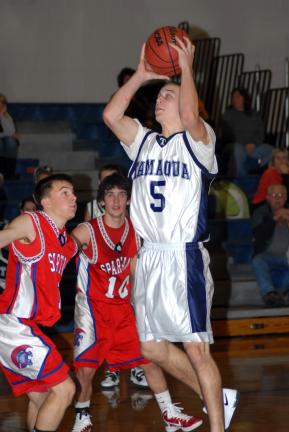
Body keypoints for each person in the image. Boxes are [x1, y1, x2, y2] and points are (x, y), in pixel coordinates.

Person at [103, 37, 239, 431]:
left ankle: (216, 425)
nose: (160, 100)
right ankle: (216, 397)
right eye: (159, 95)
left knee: (198, 350)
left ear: (185, 103)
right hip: (149, 257)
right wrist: (144, 75)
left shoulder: (200, 142)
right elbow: (112, 116)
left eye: (168, 94)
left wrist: (187, 70)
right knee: (150, 347)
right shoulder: (143, 142)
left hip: (183, 258)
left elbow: (193, 118)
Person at [71, 174, 154, 432]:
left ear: (128, 200)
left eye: (121, 194)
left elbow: (133, 270)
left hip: (121, 308)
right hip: (92, 310)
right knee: (85, 371)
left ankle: (169, 410)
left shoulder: (135, 229)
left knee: (150, 358)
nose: (116, 200)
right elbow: (63, 252)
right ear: (102, 201)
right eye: (110, 194)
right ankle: (81, 414)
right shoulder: (88, 230)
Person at [0, 173, 78, 432]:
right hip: (13, 325)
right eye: (64, 192)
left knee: (43, 396)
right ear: (45, 201)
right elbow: (5, 235)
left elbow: (83, 242)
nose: (73, 197)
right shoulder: (31, 222)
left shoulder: (65, 241)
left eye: (74, 192)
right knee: (65, 389)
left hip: (24, 328)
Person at [221, 87, 273, 177]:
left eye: (238, 97)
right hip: (235, 145)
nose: (234, 99)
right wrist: (245, 144)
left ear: (245, 98)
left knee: (271, 151)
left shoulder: (255, 114)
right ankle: (239, 178)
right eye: (233, 97)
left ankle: (256, 172)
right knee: (238, 150)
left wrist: (253, 144)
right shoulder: (228, 114)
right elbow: (228, 134)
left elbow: (260, 133)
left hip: (254, 147)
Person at [252, 183, 289, 307]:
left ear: (286, 198)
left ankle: (281, 294)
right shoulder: (260, 212)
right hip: (267, 256)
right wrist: (274, 218)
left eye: (281, 195)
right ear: (268, 198)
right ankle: (269, 294)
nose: (278, 198)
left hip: (287, 256)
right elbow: (258, 235)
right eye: (274, 195)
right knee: (257, 260)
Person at [0, 93, 19, 179]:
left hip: (5, 139)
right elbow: (10, 134)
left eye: (3, 103)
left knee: (11, 143)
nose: (1, 105)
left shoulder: (7, 117)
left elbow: (11, 131)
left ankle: (9, 173)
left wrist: (1, 116)